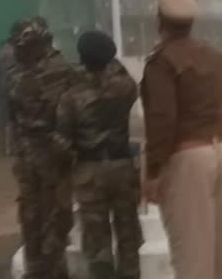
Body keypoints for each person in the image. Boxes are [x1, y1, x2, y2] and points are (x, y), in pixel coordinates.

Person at [141, 0, 222, 279]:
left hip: (187, 160)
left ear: (160, 20)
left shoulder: (162, 62)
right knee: (220, 258)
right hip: (220, 152)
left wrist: (153, 172)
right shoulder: (214, 57)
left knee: (193, 261)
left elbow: (163, 120)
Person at [54, 31, 142, 279]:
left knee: (96, 241)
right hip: (123, 167)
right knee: (128, 235)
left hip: (89, 171)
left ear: (82, 58)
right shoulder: (125, 87)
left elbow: (61, 143)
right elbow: (128, 80)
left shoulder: (71, 96)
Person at [8, 18, 75, 279]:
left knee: (35, 215)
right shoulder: (63, 69)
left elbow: (14, 117)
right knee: (50, 215)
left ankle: (39, 270)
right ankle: (50, 271)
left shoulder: (14, 75)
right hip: (50, 153)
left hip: (32, 154)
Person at [0, 38, 15, 157]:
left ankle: (10, 149)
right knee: (3, 124)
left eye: (8, 47)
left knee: (11, 124)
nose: (6, 50)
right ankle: (3, 150)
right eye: (4, 48)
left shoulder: (16, 62)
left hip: (11, 97)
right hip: (3, 97)